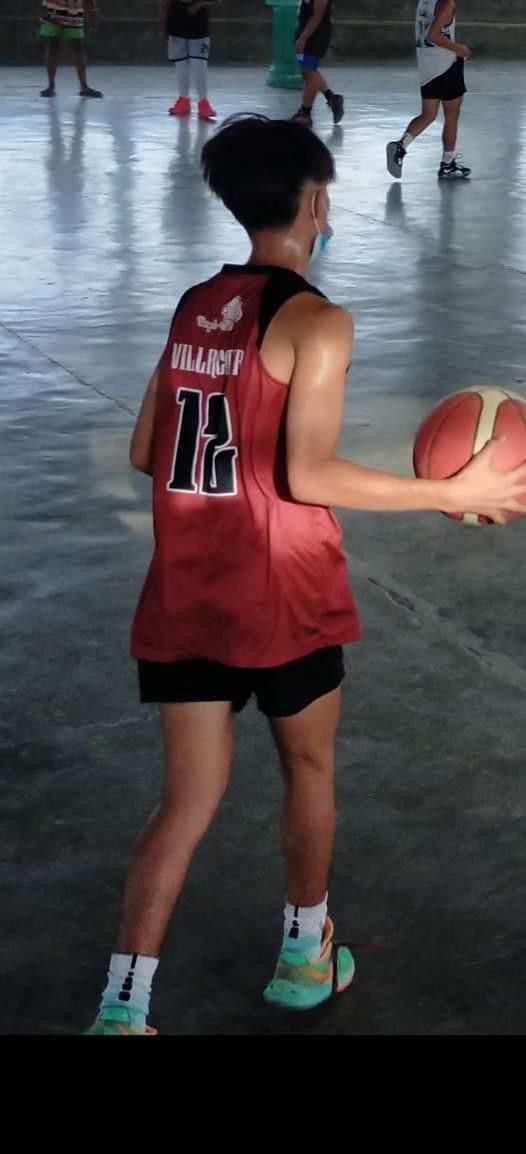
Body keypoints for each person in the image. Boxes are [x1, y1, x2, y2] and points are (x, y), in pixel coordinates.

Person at [85, 115, 526, 1036]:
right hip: (285, 591)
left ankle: (122, 1010)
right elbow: (308, 475)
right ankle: (305, 953)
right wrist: (450, 489)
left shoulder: (193, 304)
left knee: (184, 802)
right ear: (317, 201)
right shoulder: (318, 320)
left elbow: (142, 449)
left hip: (188, 591)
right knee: (309, 767)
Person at [386, 0, 470, 180]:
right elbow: (434, 35)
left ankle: (400, 146)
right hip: (446, 65)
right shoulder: (447, 3)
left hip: (427, 66)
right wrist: (460, 49)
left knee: (428, 114)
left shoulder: (424, 2)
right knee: (451, 117)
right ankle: (448, 164)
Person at [161, 0, 219, 121]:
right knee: (180, 63)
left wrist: (199, 4)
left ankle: (203, 101)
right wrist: (164, 22)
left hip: (199, 25)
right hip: (176, 22)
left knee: (199, 64)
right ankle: (183, 99)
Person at [293, 0, 344, 128]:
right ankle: (332, 99)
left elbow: (317, 16)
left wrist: (303, 38)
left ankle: (305, 112)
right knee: (308, 72)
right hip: (305, 30)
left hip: (315, 36)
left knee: (309, 72)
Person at [40, 1, 103, 99]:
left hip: (74, 12)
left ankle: (84, 86)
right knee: (53, 47)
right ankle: (51, 86)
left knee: (77, 47)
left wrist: (93, 11)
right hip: (52, 11)